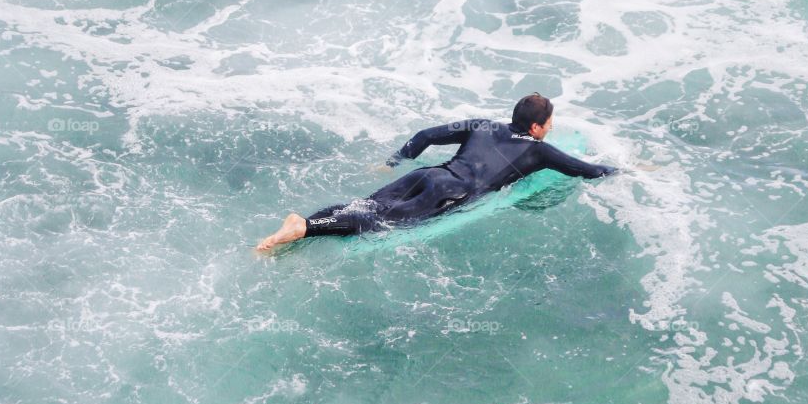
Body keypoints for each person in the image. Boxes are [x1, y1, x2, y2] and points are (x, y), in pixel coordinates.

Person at [256, 93, 617, 251]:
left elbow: (427, 135)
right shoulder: (539, 151)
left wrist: (394, 161)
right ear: (536, 128)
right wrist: (627, 170)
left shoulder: (482, 125)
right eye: (550, 123)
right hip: (447, 193)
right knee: (378, 222)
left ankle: (301, 224)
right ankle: (304, 229)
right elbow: (588, 170)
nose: (552, 128)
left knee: (365, 204)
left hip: (428, 174)